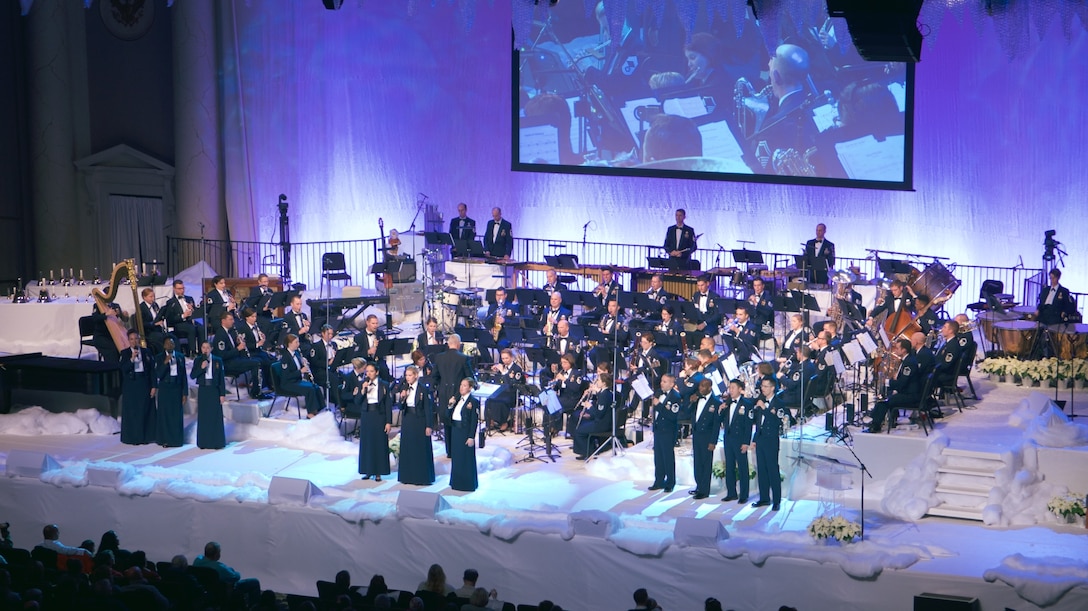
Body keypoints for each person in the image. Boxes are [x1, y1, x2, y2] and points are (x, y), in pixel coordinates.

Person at [867, 338, 923, 433]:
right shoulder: (908, 360)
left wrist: (887, 383)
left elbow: (902, 383)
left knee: (885, 401)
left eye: (897, 348)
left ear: (904, 350)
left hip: (911, 396)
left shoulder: (909, 363)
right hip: (908, 391)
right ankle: (878, 420)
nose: (895, 350)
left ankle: (875, 425)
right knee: (885, 396)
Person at [433, 334, 474, 456]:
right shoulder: (463, 358)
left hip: (444, 394)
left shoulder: (439, 358)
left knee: (447, 423)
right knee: (458, 421)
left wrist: (439, 388)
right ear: (458, 344)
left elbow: (434, 377)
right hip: (458, 394)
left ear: (448, 344)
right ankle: (458, 449)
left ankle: (449, 451)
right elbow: (469, 377)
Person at [212, 312, 268, 400]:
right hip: (227, 364)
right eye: (230, 319)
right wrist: (238, 349)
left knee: (259, 360)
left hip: (234, 359)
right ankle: (256, 392)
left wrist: (237, 342)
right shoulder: (220, 335)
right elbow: (222, 355)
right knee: (256, 363)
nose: (233, 321)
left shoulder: (229, 332)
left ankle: (261, 387)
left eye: (233, 319)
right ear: (223, 321)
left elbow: (231, 346)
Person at [397, 365, 436, 486]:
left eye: (410, 375)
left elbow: (428, 408)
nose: (407, 378)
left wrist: (429, 425)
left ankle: (422, 477)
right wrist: (402, 398)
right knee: (408, 447)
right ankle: (408, 476)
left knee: (420, 448)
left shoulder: (423, 389)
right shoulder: (405, 388)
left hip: (420, 420)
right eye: (406, 375)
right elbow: (400, 407)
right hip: (408, 419)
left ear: (416, 375)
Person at [752, 377, 786, 510]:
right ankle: (764, 498)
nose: (763, 388)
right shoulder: (760, 401)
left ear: (772, 388)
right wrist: (755, 439)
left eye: (766, 386)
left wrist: (764, 408)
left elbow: (777, 420)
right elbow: (759, 423)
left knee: (772, 469)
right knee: (761, 469)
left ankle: (776, 500)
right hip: (761, 439)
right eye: (762, 386)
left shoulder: (779, 403)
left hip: (771, 440)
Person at [119, 329, 157, 445]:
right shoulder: (124, 353)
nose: (134, 341)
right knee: (133, 412)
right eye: (131, 339)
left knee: (144, 410)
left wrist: (154, 386)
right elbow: (123, 369)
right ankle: (133, 438)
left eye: (136, 338)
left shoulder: (146, 352)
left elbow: (152, 370)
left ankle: (145, 437)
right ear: (128, 340)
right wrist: (132, 359)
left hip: (144, 383)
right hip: (131, 385)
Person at [355, 363, 392, 482]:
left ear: (377, 372)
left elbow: (388, 405)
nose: (369, 374)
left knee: (379, 443)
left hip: (379, 415)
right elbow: (357, 401)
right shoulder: (362, 384)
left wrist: (388, 422)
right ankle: (368, 470)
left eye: (371, 371)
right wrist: (362, 390)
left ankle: (378, 472)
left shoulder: (384, 385)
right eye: (367, 371)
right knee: (367, 444)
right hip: (367, 416)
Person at [721, 379, 756, 504]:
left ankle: (744, 494)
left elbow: (748, 425)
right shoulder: (727, 403)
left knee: (742, 467)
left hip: (740, 439)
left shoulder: (747, 404)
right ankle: (731, 493)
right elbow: (721, 420)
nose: (730, 390)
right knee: (729, 466)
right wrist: (721, 409)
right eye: (729, 387)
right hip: (728, 438)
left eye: (733, 388)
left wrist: (746, 442)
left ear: (740, 389)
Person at [277, 334, 327, 418]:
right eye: (296, 342)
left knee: (315, 386)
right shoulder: (285, 357)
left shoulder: (296, 353)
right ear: (289, 344)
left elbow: (298, 366)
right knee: (309, 389)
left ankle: (319, 408)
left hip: (296, 380)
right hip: (288, 383)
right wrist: (300, 371)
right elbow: (287, 375)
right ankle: (310, 413)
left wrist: (303, 363)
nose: (298, 344)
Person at [688, 378, 722, 500]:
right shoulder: (697, 400)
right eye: (700, 386)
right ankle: (699, 486)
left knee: (705, 463)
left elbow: (716, 425)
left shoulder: (716, 402)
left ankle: (704, 490)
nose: (701, 388)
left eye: (704, 386)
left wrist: (713, 441)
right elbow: (687, 413)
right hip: (697, 435)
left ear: (710, 388)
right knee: (697, 462)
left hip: (707, 437)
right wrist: (691, 402)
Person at [193, 542, 260, 603]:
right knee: (254, 582)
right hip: (223, 592)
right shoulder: (219, 568)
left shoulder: (197, 560)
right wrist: (232, 570)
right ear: (216, 554)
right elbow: (235, 577)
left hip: (206, 591)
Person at [648, 374, 681, 493]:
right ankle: (659, 481)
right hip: (658, 429)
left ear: (672, 384)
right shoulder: (658, 393)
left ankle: (670, 482)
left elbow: (672, 416)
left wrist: (659, 405)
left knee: (667, 457)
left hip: (668, 430)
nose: (662, 383)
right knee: (658, 457)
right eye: (662, 381)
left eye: (665, 382)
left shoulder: (675, 397)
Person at [191, 341, 227, 450]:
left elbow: (221, 378)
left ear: (211, 348)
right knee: (204, 416)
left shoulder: (217, 360)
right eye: (203, 347)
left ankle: (217, 442)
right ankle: (204, 442)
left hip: (214, 389)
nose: (205, 350)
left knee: (215, 416)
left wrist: (222, 394)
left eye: (207, 347)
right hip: (203, 390)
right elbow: (193, 375)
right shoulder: (198, 360)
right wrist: (202, 368)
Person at [155, 337, 188, 448]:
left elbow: (184, 375)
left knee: (176, 415)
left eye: (172, 343)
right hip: (165, 388)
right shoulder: (159, 358)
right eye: (167, 344)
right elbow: (158, 374)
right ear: (164, 346)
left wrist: (185, 393)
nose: (170, 345)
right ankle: (165, 440)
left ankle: (176, 440)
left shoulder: (180, 357)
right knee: (165, 415)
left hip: (176, 388)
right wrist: (165, 363)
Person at [448, 378, 480, 492]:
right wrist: (450, 405)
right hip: (456, 431)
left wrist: (471, 436)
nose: (461, 387)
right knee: (457, 457)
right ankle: (457, 482)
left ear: (470, 388)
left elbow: (473, 421)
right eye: (461, 385)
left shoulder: (473, 401)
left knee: (465, 458)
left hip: (465, 432)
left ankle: (467, 484)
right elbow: (449, 416)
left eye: (465, 385)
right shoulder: (457, 400)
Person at [573, 373, 614, 459]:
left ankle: (589, 453)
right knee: (582, 425)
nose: (596, 382)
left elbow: (599, 414)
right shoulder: (606, 393)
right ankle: (588, 451)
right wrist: (589, 414)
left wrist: (590, 407)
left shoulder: (604, 395)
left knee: (578, 431)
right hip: (604, 421)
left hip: (602, 424)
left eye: (598, 380)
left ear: (604, 383)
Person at [487, 349, 524, 431]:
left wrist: (503, 372)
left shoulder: (517, 369)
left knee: (502, 401)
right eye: (503, 358)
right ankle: (491, 421)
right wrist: (496, 372)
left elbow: (512, 384)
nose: (504, 360)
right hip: (502, 391)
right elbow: (499, 381)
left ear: (511, 357)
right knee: (489, 399)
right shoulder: (503, 367)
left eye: (506, 358)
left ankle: (504, 422)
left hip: (512, 393)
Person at [163, 280, 202, 356]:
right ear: (174, 289)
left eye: (183, 288)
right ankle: (192, 352)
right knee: (191, 329)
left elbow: (196, 313)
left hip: (190, 321)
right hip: (179, 323)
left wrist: (193, 309)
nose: (182, 290)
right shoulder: (171, 302)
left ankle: (201, 351)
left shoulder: (189, 298)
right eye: (179, 288)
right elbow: (170, 318)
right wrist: (183, 316)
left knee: (202, 328)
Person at [689, 275, 722, 347]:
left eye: (702, 285)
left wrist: (705, 323)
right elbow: (694, 310)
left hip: (710, 322)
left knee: (707, 334)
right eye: (698, 285)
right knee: (688, 331)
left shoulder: (715, 296)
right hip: (699, 321)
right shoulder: (696, 295)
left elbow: (717, 315)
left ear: (707, 284)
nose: (700, 288)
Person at [138, 287, 168, 355]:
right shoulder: (141, 308)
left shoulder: (155, 305)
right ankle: (162, 356)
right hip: (149, 332)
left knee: (171, 337)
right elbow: (142, 324)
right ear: (144, 297)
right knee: (160, 338)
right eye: (150, 296)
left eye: (153, 296)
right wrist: (154, 324)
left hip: (158, 329)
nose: (153, 298)